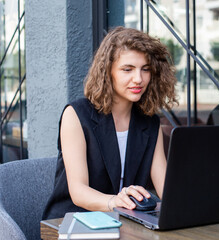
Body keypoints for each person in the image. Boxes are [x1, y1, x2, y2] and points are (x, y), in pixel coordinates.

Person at [42, 26, 177, 220]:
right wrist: (114, 202)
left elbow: (165, 186)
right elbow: (78, 191)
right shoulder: (76, 114)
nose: (138, 79)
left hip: (125, 223)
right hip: (72, 221)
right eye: (127, 69)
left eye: (145, 69)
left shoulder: (149, 122)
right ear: (108, 72)